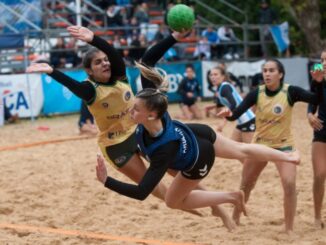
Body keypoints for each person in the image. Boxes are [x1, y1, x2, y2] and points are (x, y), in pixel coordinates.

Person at [26, 26, 237, 230]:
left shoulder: (119, 75)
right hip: (116, 145)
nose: (105, 63)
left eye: (105, 60)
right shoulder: (90, 90)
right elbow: (73, 86)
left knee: (179, 173)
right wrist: (52, 71)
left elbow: (113, 54)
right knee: (155, 188)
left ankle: (217, 207)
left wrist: (93, 39)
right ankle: (186, 205)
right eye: (98, 63)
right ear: (89, 70)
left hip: (139, 132)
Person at [95, 59, 301, 221]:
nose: (130, 110)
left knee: (172, 201)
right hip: (198, 131)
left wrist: (107, 181)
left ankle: (231, 196)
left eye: (135, 109)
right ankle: (288, 156)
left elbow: (141, 192)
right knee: (242, 149)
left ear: (150, 116)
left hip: (199, 158)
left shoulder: (162, 151)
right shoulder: (156, 109)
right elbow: (150, 79)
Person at [217, 58, 324, 233]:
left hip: (284, 147)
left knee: (289, 184)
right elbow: (237, 113)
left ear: (280, 74)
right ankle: (235, 219)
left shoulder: (291, 91)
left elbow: (316, 99)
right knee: (246, 184)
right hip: (261, 145)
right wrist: (228, 115)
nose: (267, 73)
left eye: (271, 70)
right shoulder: (256, 93)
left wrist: (318, 82)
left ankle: (288, 229)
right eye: (265, 70)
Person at [208, 66, 255, 146]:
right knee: (234, 151)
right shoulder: (221, 88)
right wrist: (212, 107)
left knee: (251, 153)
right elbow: (231, 103)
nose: (213, 77)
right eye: (211, 75)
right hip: (241, 122)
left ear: (223, 76)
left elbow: (233, 104)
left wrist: (223, 122)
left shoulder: (224, 88)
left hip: (248, 120)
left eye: (215, 74)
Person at [307, 49, 326, 229]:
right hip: (322, 130)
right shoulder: (318, 81)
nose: (324, 63)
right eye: (322, 60)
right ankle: (317, 216)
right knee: (319, 175)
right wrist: (309, 115)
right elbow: (312, 104)